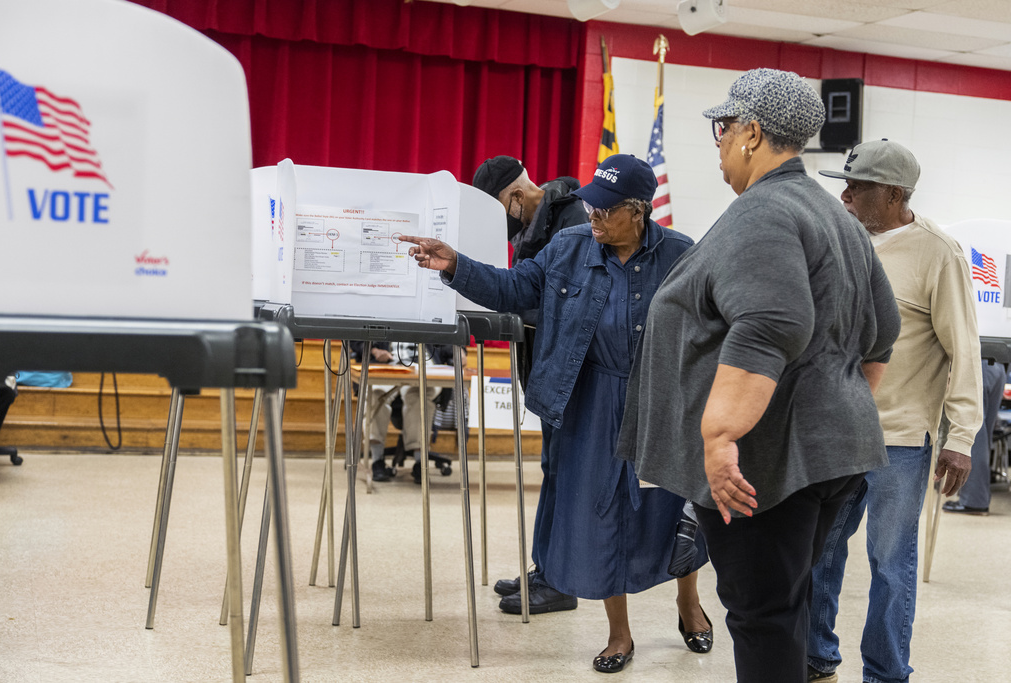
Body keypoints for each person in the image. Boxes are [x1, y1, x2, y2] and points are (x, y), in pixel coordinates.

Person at [614, 69, 902, 683]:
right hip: (829, 454)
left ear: (751, 132)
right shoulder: (837, 217)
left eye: (723, 128)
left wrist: (719, 438)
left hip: (763, 464)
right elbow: (881, 333)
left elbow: (773, 322)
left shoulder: (764, 212)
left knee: (761, 613)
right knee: (783, 604)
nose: (717, 142)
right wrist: (834, 409)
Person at [402, 153, 712, 673]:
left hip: (658, 403)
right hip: (589, 401)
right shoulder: (568, 249)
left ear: (637, 212)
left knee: (669, 508)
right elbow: (512, 288)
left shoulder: (682, 255)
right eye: (590, 205)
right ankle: (619, 634)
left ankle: (688, 602)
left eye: (605, 210)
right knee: (601, 512)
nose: (592, 215)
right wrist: (455, 264)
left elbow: (712, 326)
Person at [808, 139, 984, 683]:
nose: (845, 195)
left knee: (890, 564)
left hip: (901, 440)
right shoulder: (843, 239)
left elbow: (964, 351)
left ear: (893, 193)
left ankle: (885, 673)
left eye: (857, 187)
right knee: (819, 555)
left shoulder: (940, 253)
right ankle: (816, 654)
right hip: (837, 432)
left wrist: (960, 437)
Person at [471, 156, 590, 611]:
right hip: (545, 370)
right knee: (553, 472)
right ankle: (547, 567)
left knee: (565, 475)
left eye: (503, 209)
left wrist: (513, 311)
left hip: (571, 373)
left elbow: (565, 300)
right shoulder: (533, 224)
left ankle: (560, 583)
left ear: (517, 196)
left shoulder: (571, 219)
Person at [350, 341, 449, 484]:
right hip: (386, 365)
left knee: (420, 398)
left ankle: (420, 463)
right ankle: (377, 461)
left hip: (424, 367)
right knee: (375, 394)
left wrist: (459, 352)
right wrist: (374, 350)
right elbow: (354, 338)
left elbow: (448, 335)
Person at [943, 359, 1004, 515]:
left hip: (978, 365)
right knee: (983, 437)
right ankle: (979, 498)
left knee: (974, 436)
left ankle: (974, 501)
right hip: (998, 365)